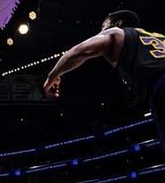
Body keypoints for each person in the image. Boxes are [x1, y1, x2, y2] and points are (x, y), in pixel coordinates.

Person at [43, 10, 165, 153]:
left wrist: (52, 76)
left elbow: (80, 51)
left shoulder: (117, 32)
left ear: (118, 23)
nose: (101, 30)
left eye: (104, 25)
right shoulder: (160, 38)